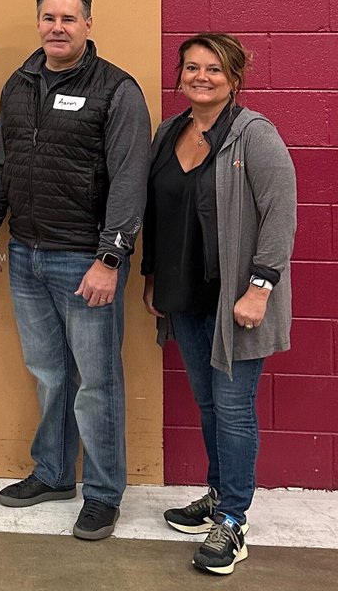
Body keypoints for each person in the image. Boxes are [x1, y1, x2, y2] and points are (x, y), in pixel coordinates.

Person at [0, 0, 151, 541]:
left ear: (89, 25)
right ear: (38, 25)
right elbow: (1, 160)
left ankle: (102, 494)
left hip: (85, 260)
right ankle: (53, 474)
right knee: (50, 374)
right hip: (25, 254)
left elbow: (129, 181)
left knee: (96, 383)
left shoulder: (117, 90)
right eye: (49, 17)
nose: (58, 27)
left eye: (69, 18)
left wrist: (110, 258)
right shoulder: (20, 83)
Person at [143, 33, 296, 576]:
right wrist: (154, 278)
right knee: (208, 405)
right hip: (184, 296)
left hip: (237, 303)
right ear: (180, 76)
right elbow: (158, 212)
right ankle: (216, 492)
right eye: (191, 68)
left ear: (234, 79)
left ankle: (233, 519)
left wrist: (260, 288)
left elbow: (281, 214)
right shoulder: (169, 132)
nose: (200, 77)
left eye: (213, 69)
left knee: (233, 410)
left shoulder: (255, 135)